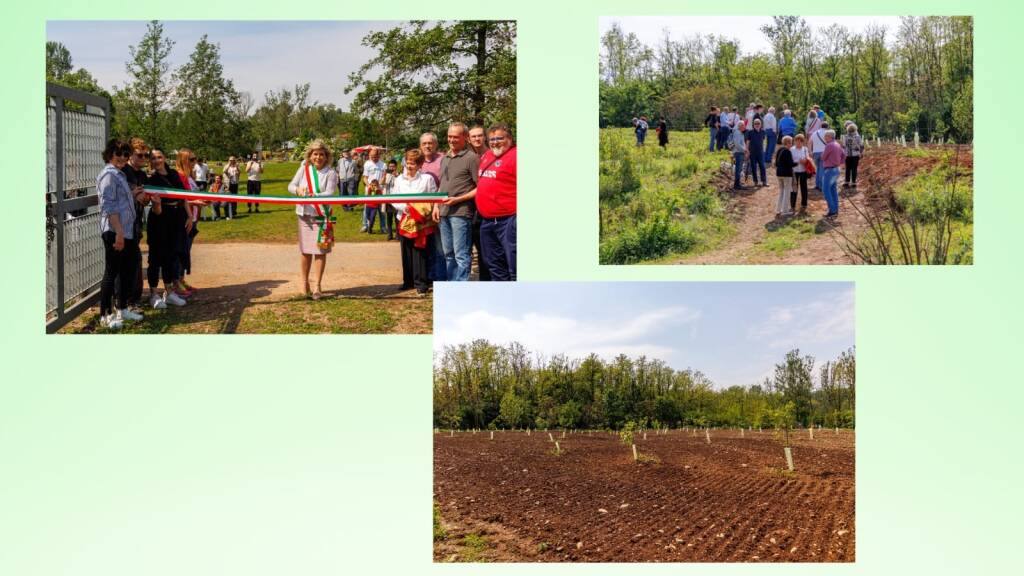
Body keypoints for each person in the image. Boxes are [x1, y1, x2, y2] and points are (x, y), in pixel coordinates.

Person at [96, 139, 140, 329]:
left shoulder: (119, 174)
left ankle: (122, 309)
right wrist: (119, 233)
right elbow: (109, 206)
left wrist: (134, 193)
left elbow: (120, 200)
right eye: (119, 153)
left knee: (126, 271)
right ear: (110, 154)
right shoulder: (108, 175)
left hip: (126, 231)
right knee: (111, 272)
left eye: (126, 154)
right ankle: (105, 315)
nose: (123, 157)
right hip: (115, 231)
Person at [287, 139, 339, 300]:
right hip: (304, 214)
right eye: (315, 154)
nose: (318, 157)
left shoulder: (331, 173)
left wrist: (312, 195)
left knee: (320, 250)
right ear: (310, 155)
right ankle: (304, 283)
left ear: (327, 156)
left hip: (321, 216)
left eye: (321, 154)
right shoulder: (304, 168)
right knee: (305, 251)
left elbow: (329, 193)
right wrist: (298, 190)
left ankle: (317, 285)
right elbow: (290, 186)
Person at [434, 122, 479, 282]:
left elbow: (480, 188)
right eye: (449, 136)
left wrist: (458, 199)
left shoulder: (472, 158)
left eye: (455, 137)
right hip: (444, 212)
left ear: (465, 138)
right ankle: (452, 288)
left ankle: (461, 290)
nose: (451, 140)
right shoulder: (445, 158)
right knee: (448, 254)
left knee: (461, 254)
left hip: (461, 213)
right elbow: (442, 185)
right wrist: (436, 205)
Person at [392, 148, 439, 296]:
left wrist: (419, 210)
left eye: (413, 163)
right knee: (405, 250)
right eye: (408, 162)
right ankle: (408, 281)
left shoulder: (427, 179)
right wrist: (405, 208)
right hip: (403, 219)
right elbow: (394, 198)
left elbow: (433, 198)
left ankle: (421, 283)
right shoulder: (398, 179)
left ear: (420, 165)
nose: (409, 166)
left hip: (421, 221)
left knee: (420, 251)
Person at [145, 149, 188, 308]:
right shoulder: (153, 180)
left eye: (159, 157)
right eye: (153, 158)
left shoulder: (174, 175)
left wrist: (190, 213)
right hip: (158, 219)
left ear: (164, 158)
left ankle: (169, 292)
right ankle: (154, 294)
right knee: (156, 258)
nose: (157, 160)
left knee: (170, 256)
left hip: (175, 219)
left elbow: (183, 196)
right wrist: (156, 205)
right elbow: (156, 207)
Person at [475, 124, 517, 281]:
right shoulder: (487, 156)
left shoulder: (516, 156)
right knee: (493, 264)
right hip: (487, 221)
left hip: (509, 220)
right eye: (492, 139)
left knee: (514, 266)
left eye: (500, 138)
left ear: (510, 139)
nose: (495, 142)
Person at [121, 138, 151, 313]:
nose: (143, 158)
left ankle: (133, 300)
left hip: (136, 223)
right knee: (128, 262)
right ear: (130, 155)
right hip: (122, 224)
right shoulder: (123, 171)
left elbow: (144, 197)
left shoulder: (141, 174)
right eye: (140, 155)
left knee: (135, 260)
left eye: (146, 155)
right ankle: (127, 302)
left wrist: (146, 198)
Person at [175, 148, 207, 295]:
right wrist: (196, 202)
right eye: (192, 159)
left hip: (193, 218)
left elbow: (191, 196)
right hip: (184, 219)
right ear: (184, 160)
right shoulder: (179, 177)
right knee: (181, 252)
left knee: (186, 252)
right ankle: (176, 282)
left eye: (196, 159)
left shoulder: (189, 177)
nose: (195, 162)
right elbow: (181, 199)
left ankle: (181, 279)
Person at [418, 132, 446, 282]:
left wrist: (437, 205)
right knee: (424, 244)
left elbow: (445, 183)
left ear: (436, 144)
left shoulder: (443, 160)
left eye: (430, 143)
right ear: (420, 146)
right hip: (420, 211)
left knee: (439, 246)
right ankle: (427, 276)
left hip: (438, 208)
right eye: (424, 143)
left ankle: (440, 278)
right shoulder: (417, 161)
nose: (427, 146)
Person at [820, 130, 846, 219]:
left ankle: (832, 210)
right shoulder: (838, 144)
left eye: (826, 136)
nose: (824, 138)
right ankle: (835, 209)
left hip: (829, 170)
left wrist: (821, 155)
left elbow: (823, 157)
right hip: (836, 169)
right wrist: (841, 163)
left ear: (830, 136)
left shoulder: (829, 145)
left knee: (826, 190)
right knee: (833, 190)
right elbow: (844, 155)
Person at [361, 147, 386, 233]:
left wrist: (379, 186)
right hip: (369, 190)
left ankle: (383, 227)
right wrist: (369, 186)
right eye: (372, 156)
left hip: (379, 190)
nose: (374, 158)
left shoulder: (383, 165)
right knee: (366, 208)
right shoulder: (367, 164)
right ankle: (365, 226)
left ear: (379, 155)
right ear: (369, 156)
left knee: (382, 209)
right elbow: (365, 178)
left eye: (375, 156)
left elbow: (384, 176)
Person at [774, 135, 796, 217]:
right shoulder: (787, 151)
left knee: (781, 191)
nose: (792, 144)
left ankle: (778, 209)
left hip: (779, 173)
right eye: (791, 142)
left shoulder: (779, 150)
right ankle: (785, 211)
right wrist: (799, 162)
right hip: (786, 174)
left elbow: (776, 163)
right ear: (788, 142)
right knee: (787, 192)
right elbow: (791, 164)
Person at [790, 134, 811, 213]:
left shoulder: (805, 149)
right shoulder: (792, 149)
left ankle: (804, 204)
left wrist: (805, 161)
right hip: (794, 171)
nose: (798, 143)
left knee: (804, 188)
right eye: (797, 141)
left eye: (800, 141)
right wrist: (797, 162)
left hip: (803, 171)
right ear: (794, 141)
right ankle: (792, 205)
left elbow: (808, 158)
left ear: (803, 142)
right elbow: (790, 160)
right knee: (794, 189)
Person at [745, 118, 767, 187]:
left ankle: (764, 181)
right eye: (755, 123)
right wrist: (747, 151)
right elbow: (747, 142)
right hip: (752, 153)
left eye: (758, 123)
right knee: (754, 167)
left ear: (761, 124)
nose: (757, 125)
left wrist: (764, 149)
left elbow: (764, 141)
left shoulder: (763, 131)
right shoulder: (750, 132)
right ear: (753, 124)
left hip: (760, 152)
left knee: (762, 167)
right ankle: (756, 182)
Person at [810, 121, 830, 190]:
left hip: (815, 152)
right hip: (824, 152)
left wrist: (810, 151)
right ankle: (821, 186)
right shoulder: (827, 133)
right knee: (822, 169)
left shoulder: (815, 133)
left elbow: (810, 142)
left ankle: (817, 184)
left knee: (818, 169)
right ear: (827, 127)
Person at [728, 120, 747, 190]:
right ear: (739, 126)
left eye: (744, 125)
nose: (744, 127)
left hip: (740, 152)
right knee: (738, 168)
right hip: (738, 152)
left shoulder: (740, 133)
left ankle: (738, 183)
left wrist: (745, 149)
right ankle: (736, 184)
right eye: (743, 125)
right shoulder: (737, 133)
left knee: (739, 168)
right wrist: (744, 150)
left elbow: (742, 143)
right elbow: (737, 144)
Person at [843, 123, 863, 188]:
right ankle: (853, 183)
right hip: (855, 155)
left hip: (847, 155)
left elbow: (843, 146)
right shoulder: (858, 137)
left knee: (847, 168)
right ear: (855, 129)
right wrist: (861, 153)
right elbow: (862, 145)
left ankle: (846, 182)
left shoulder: (845, 136)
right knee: (854, 169)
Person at [382, 160, 398, 240]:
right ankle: (390, 234)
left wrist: (396, 176)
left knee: (397, 217)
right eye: (390, 167)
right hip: (388, 198)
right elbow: (381, 183)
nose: (391, 168)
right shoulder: (387, 175)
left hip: (396, 199)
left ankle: (398, 235)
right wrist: (384, 176)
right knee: (389, 217)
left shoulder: (399, 176)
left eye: (393, 166)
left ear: (396, 167)